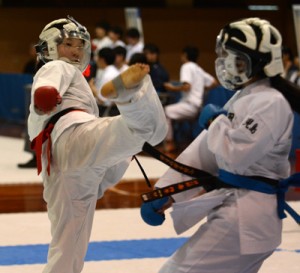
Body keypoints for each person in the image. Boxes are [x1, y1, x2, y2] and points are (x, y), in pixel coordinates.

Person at [140, 17, 300, 273]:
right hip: (240, 214)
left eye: (235, 59)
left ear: (256, 63)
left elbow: (236, 155)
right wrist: (166, 192)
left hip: (246, 219)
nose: (227, 65)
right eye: (225, 56)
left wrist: (216, 122)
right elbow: (205, 151)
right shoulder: (247, 96)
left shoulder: (271, 102)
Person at [29, 16, 167, 273]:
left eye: (80, 45)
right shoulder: (57, 68)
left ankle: (129, 106)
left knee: (69, 242)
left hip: (68, 163)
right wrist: (44, 96)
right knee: (149, 130)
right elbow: (44, 89)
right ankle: (130, 95)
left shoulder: (73, 75)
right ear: (49, 46)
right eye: (68, 44)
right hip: (74, 136)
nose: (76, 50)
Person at [163, 45, 218, 152]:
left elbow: (187, 86)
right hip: (197, 107)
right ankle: (180, 141)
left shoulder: (186, 66)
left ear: (185, 55)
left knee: (165, 112)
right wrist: (202, 88)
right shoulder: (198, 69)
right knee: (171, 113)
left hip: (189, 106)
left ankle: (170, 143)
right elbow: (214, 82)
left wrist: (172, 88)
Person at [18, 43, 38, 168]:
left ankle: (38, 157)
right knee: (32, 125)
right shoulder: (32, 64)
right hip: (35, 96)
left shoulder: (49, 63)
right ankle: (35, 156)